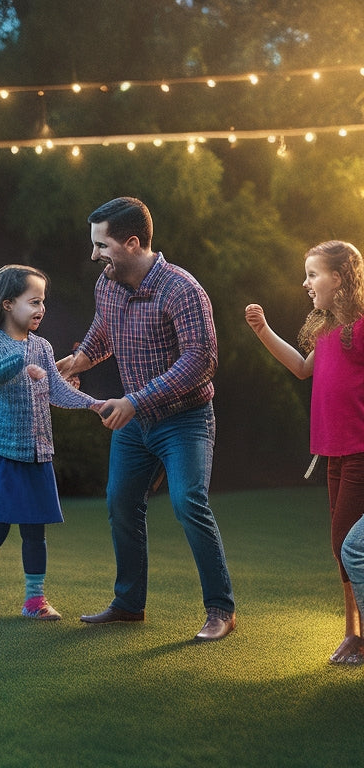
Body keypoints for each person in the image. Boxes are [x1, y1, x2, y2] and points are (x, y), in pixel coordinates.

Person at [57, 196, 235, 641]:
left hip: (184, 419)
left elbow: (201, 361)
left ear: (132, 243)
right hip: (137, 423)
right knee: (121, 502)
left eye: (102, 245)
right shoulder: (108, 284)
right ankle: (129, 604)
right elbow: (104, 330)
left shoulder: (183, 290)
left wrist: (134, 400)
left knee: (187, 503)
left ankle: (221, 610)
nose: (94, 255)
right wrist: (77, 361)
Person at [0, 264, 107, 622]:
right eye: (34, 301)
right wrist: (20, 362)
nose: (41, 309)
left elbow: (56, 389)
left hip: (37, 450)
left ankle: (34, 600)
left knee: (35, 532)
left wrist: (94, 404)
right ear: (8, 303)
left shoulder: (42, 347)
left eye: (43, 302)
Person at [246, 239, 364, 664]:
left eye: (313, 274)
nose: (305, 282)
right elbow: (300, 367)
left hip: (360, 453)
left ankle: (359, 636)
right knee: (342, 546)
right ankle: (352, 633)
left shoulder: (361, 329)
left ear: (338, 279)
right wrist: (263, 331)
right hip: (335, 454)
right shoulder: (329, 331)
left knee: (346, 542)